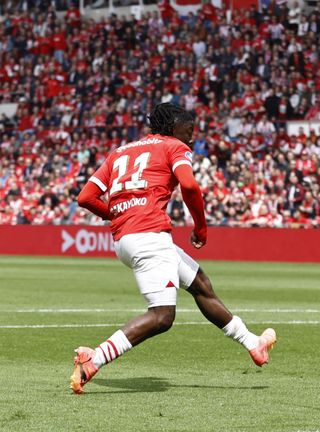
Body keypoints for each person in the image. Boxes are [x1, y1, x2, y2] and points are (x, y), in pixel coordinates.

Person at [70, 103, 277, 394]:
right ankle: (95, 358)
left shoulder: (120, 152)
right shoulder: (173, 146)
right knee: (162, 316)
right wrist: (201, 227)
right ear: (171, 128)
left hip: (127, 239)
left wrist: (115, 215)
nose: (192, 138)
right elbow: (189, 186)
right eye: (189, 131)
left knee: (200, 284)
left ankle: (253, 343)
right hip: (149, 236)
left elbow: (85, 197)